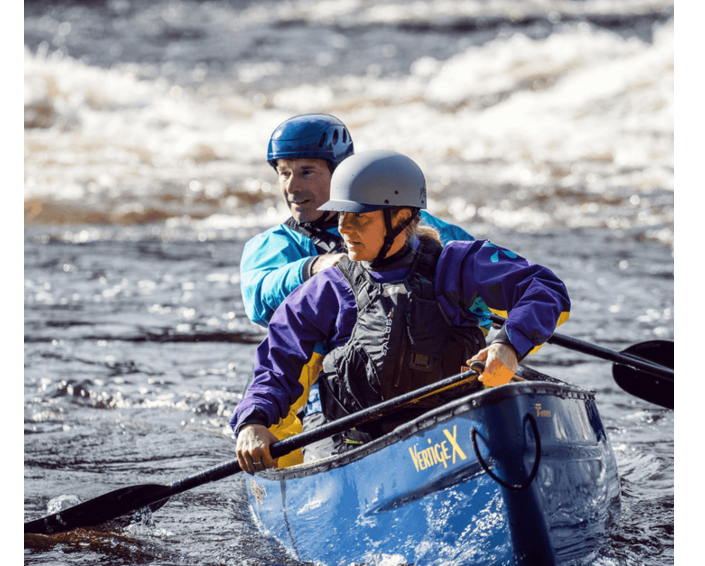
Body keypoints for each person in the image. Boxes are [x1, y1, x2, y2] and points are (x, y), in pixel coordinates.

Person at [231, 150, 570, 475]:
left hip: (447, 432)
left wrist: (508, 345)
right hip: (351, 443)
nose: (344, 230)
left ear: (402, 217)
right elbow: (278, 362)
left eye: (359, 218)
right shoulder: (327, 290)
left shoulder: (457, 265)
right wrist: (252, 421)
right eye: (341, 216)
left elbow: (544, 288)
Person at [239, 115, 484, 467]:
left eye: (306, 171)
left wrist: (507, 341)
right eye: (284, 172)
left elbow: (482, 279)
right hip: (334, 389)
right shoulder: (273, 245)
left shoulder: (405, 221)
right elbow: (260, 299)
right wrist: (312, 268)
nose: (292, 186)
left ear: (340, 174)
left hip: (427, 376)